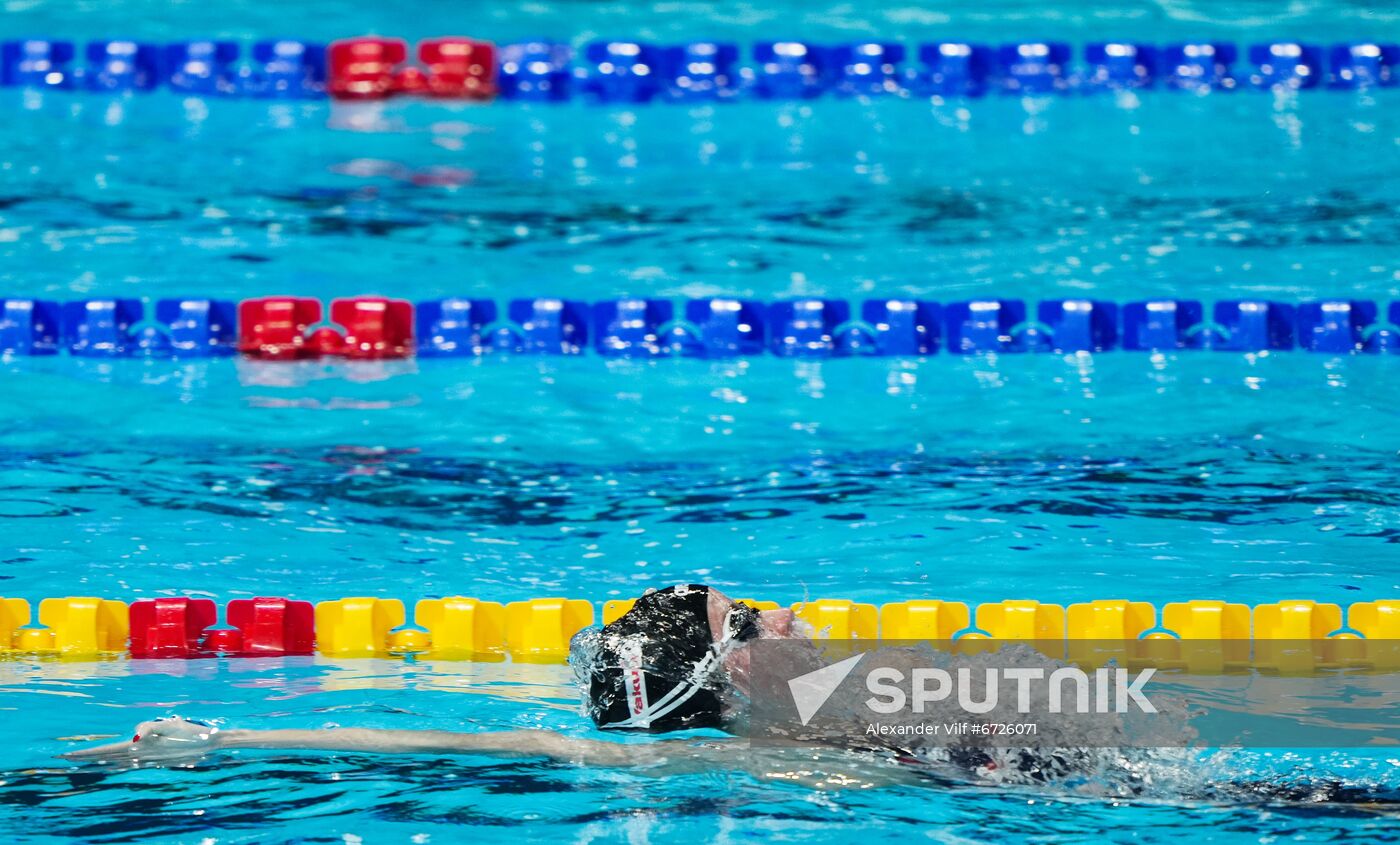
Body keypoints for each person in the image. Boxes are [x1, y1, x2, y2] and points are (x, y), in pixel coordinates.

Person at [59, 585, 1400, 808]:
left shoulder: (764, 755)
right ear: (735, 674)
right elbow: (466, 731)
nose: (789, 611)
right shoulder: (757, 763)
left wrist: (220, 734)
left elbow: (474, 734)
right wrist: (223, 736)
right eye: (751, 619)